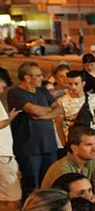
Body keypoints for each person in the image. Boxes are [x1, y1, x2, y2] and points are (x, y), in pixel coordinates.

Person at [8, 61, 62, 199]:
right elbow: (32, 109)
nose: (41, 78)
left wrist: (44, 115)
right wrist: (50, 110)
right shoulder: (15, 93)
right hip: (29, 150)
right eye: (38, 75)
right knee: (29, 186)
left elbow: (59, 109)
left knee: (49, 185)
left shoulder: (43, 91)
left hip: (49, 147)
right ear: (27, 77)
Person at [57, 69, 95, 156]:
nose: (73, 87)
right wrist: (64, 143)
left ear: (83, 83)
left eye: (76, 84)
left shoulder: (93, 99)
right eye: (70, 84)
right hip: (73, 143)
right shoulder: (62, 101)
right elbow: (59, 124)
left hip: (90, 142)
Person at [0, 71, 23, 211]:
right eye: (2, 86)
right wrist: (10, 118)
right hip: (3, 157)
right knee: (14, 198)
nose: (2, 91)